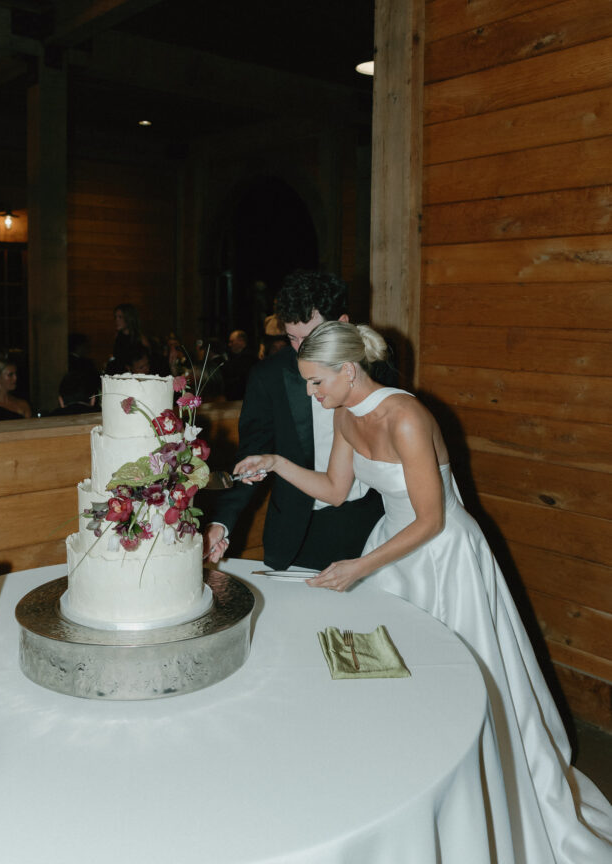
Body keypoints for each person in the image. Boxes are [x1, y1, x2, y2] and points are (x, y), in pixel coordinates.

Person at [235, 320, 612, 864]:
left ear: (348, 370)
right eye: (308, 383)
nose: (312, 393)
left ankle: (471, 795)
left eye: (317, 382)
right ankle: (403, 782)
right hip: (392, 543)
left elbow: (433, 519)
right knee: (388, 674)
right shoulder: (345, 415)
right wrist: (274, 464)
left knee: (460, 678)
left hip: (441, 554)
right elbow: (336, 492)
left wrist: (359, 567)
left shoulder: (406, 417)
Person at [203, 270, 386, 569]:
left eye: (311, 336)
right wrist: (221, 524)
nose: (301, 349)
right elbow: (252, 457)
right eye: (292, 338)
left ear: (341, 324)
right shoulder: (269, 377)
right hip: (297, 533)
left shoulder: (377, 367)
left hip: (369, 526)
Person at [107, 304, 150, 373]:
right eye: (115, 317)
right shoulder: (118, 336)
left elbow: (147, 363)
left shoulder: (140, 338)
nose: (116, 320)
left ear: (129, 318)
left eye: (120, 317)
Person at [221, 329, 256, 400]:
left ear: (241, 341)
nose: (229, 345)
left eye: (232, 341)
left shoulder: (250, 359)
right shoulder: (233, 357)